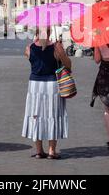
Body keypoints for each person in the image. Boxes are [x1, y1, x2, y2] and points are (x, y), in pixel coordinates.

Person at [22, 28, 72, 160]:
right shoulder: (56, 47)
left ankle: (39, 150)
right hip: (52, 84)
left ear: (37, 32)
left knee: (36, 115)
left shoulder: (29, 48)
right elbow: (68, 65)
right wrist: (60, 54)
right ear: (50, 32)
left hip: (34, 85)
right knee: (52, 115)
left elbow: (32, 59)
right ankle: (51, 150)